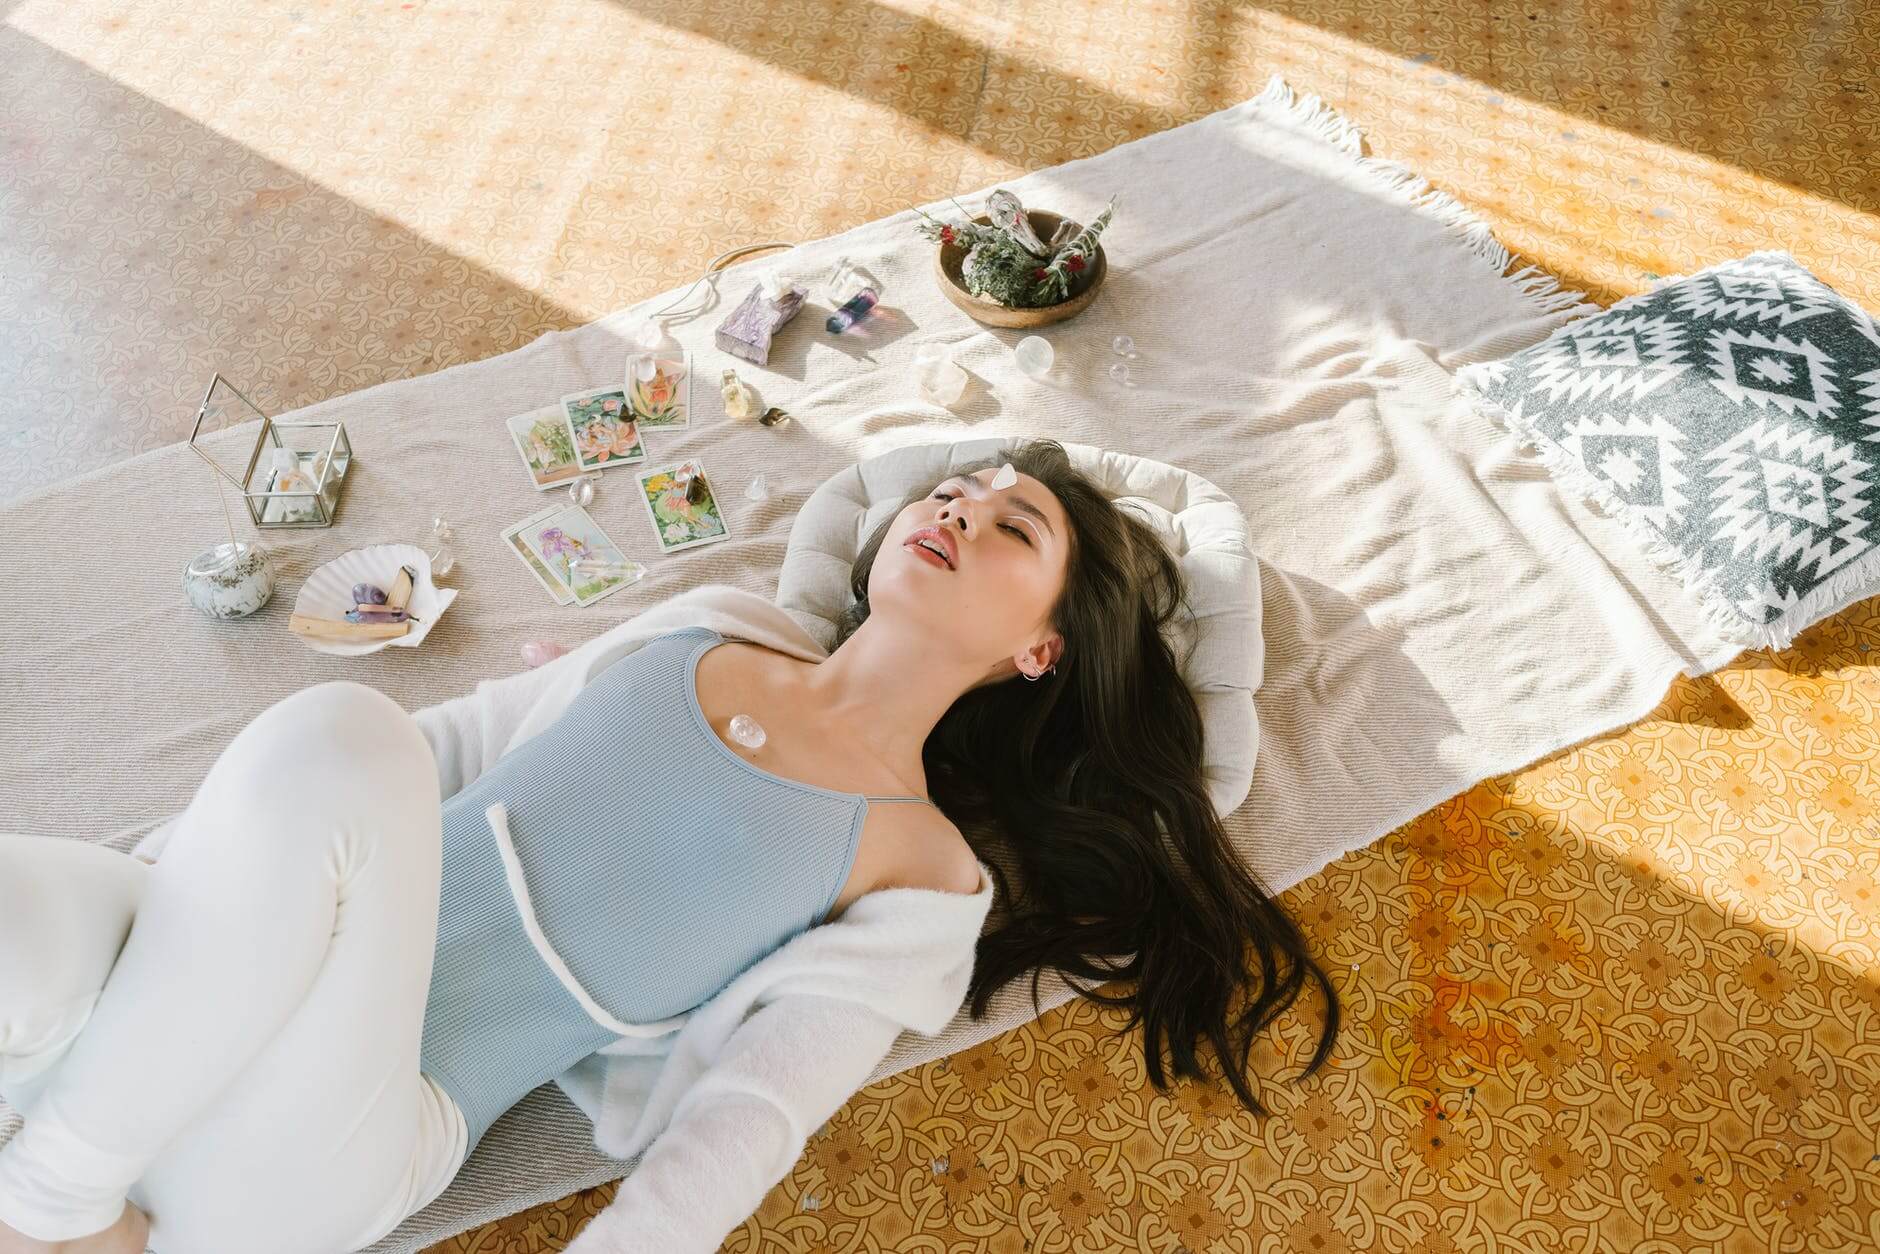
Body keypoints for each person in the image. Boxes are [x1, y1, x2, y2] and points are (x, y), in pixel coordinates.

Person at [0, 439, 1339, 1254]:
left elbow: (740, 1123)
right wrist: (189, 888)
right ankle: (58, 1181)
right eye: (957, 490)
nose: (962, 512)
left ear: (1037, 648)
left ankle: (47, 1197)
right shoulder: (714, 621)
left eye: (1013, 527)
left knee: (345, 736)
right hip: (177, 1008)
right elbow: (460, 743)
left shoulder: (920, 870)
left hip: (329, 1134)